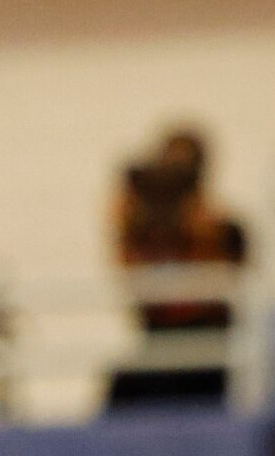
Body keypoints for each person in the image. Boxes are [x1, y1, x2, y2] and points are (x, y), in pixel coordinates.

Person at [107, 125, 250, 409]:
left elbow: (233, 268)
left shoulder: (222, 229)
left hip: (208, 347)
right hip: (157, 344)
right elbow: (128, 273)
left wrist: (198, 224)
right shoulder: (145, 233)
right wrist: (132, 215)